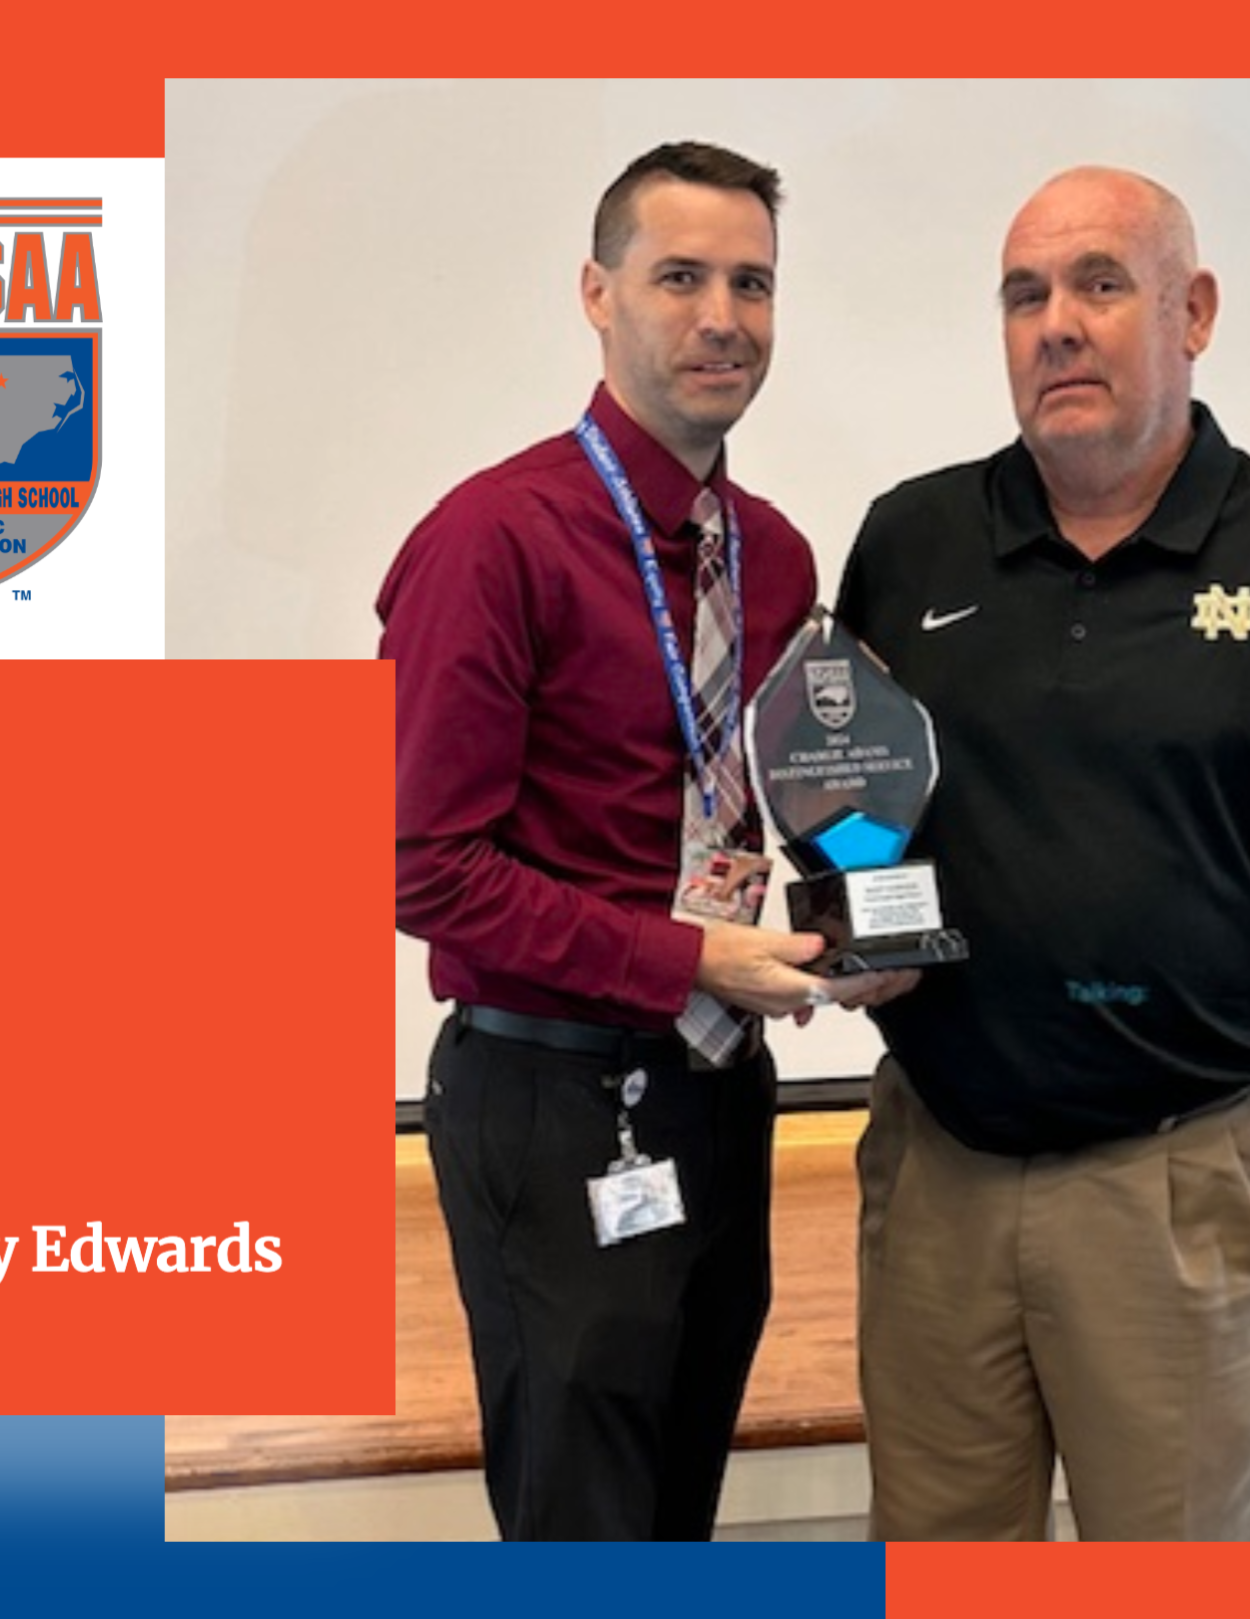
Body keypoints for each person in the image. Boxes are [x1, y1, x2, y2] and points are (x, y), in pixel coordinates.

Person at [834, 166, 1250, 1541]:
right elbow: (856, 797)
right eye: (1024, 296)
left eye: (1100, 284)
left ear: (1194, 313)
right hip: (939, 1171)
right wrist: (850, 927)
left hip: (1190, 1180)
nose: (1056, 324)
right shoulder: (910, 538)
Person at [379, 140, 891, 1541]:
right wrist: (687, 957)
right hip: (553, 1102)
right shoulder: (493, 540)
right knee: (583, 1519)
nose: (722, 317)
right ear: (596, 295)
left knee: (675, 1507)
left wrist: (858, 924)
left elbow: (791, 795)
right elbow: (420, 868)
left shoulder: (773, 555)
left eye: (752, 283)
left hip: (716, 1090)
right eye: (679, 278)